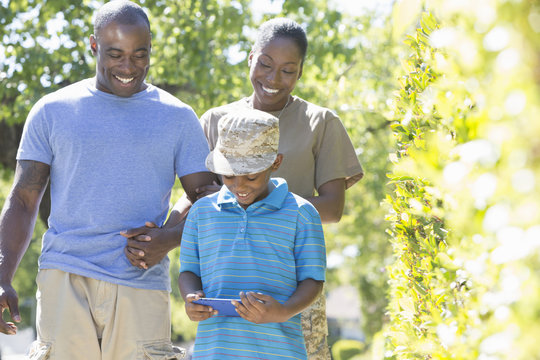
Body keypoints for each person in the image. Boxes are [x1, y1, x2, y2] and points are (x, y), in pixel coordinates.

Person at [0, 1, 216, 359]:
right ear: (94, 45)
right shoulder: (52, 110)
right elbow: (23, 199)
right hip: (64, 275)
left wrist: (169, 239)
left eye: (140, 55)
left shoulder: (178, 117)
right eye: (115, 54)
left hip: (141, 281)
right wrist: (3, 272)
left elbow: (208, 198)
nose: (129, 67)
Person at [195, 18, 364, 359]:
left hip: (293, 280)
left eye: (288, 70)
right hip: (228, 279)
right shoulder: (217, 120)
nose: (273, 79)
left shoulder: (320, 123)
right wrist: (162, 234)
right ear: (250, 58)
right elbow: (200, 200)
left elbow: (332, 208)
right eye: (265, 65)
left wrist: (265, 206)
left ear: (300, 72)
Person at [178, 109, 326, 360]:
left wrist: (283, 311)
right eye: (228, 176)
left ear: (275, 162)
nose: (239, 186)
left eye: (251, 177)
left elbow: (313, 280)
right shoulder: (201, 213)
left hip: (279, 351)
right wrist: (191, 298)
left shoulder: (302, 214)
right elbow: (189, 271)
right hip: (215, 351)